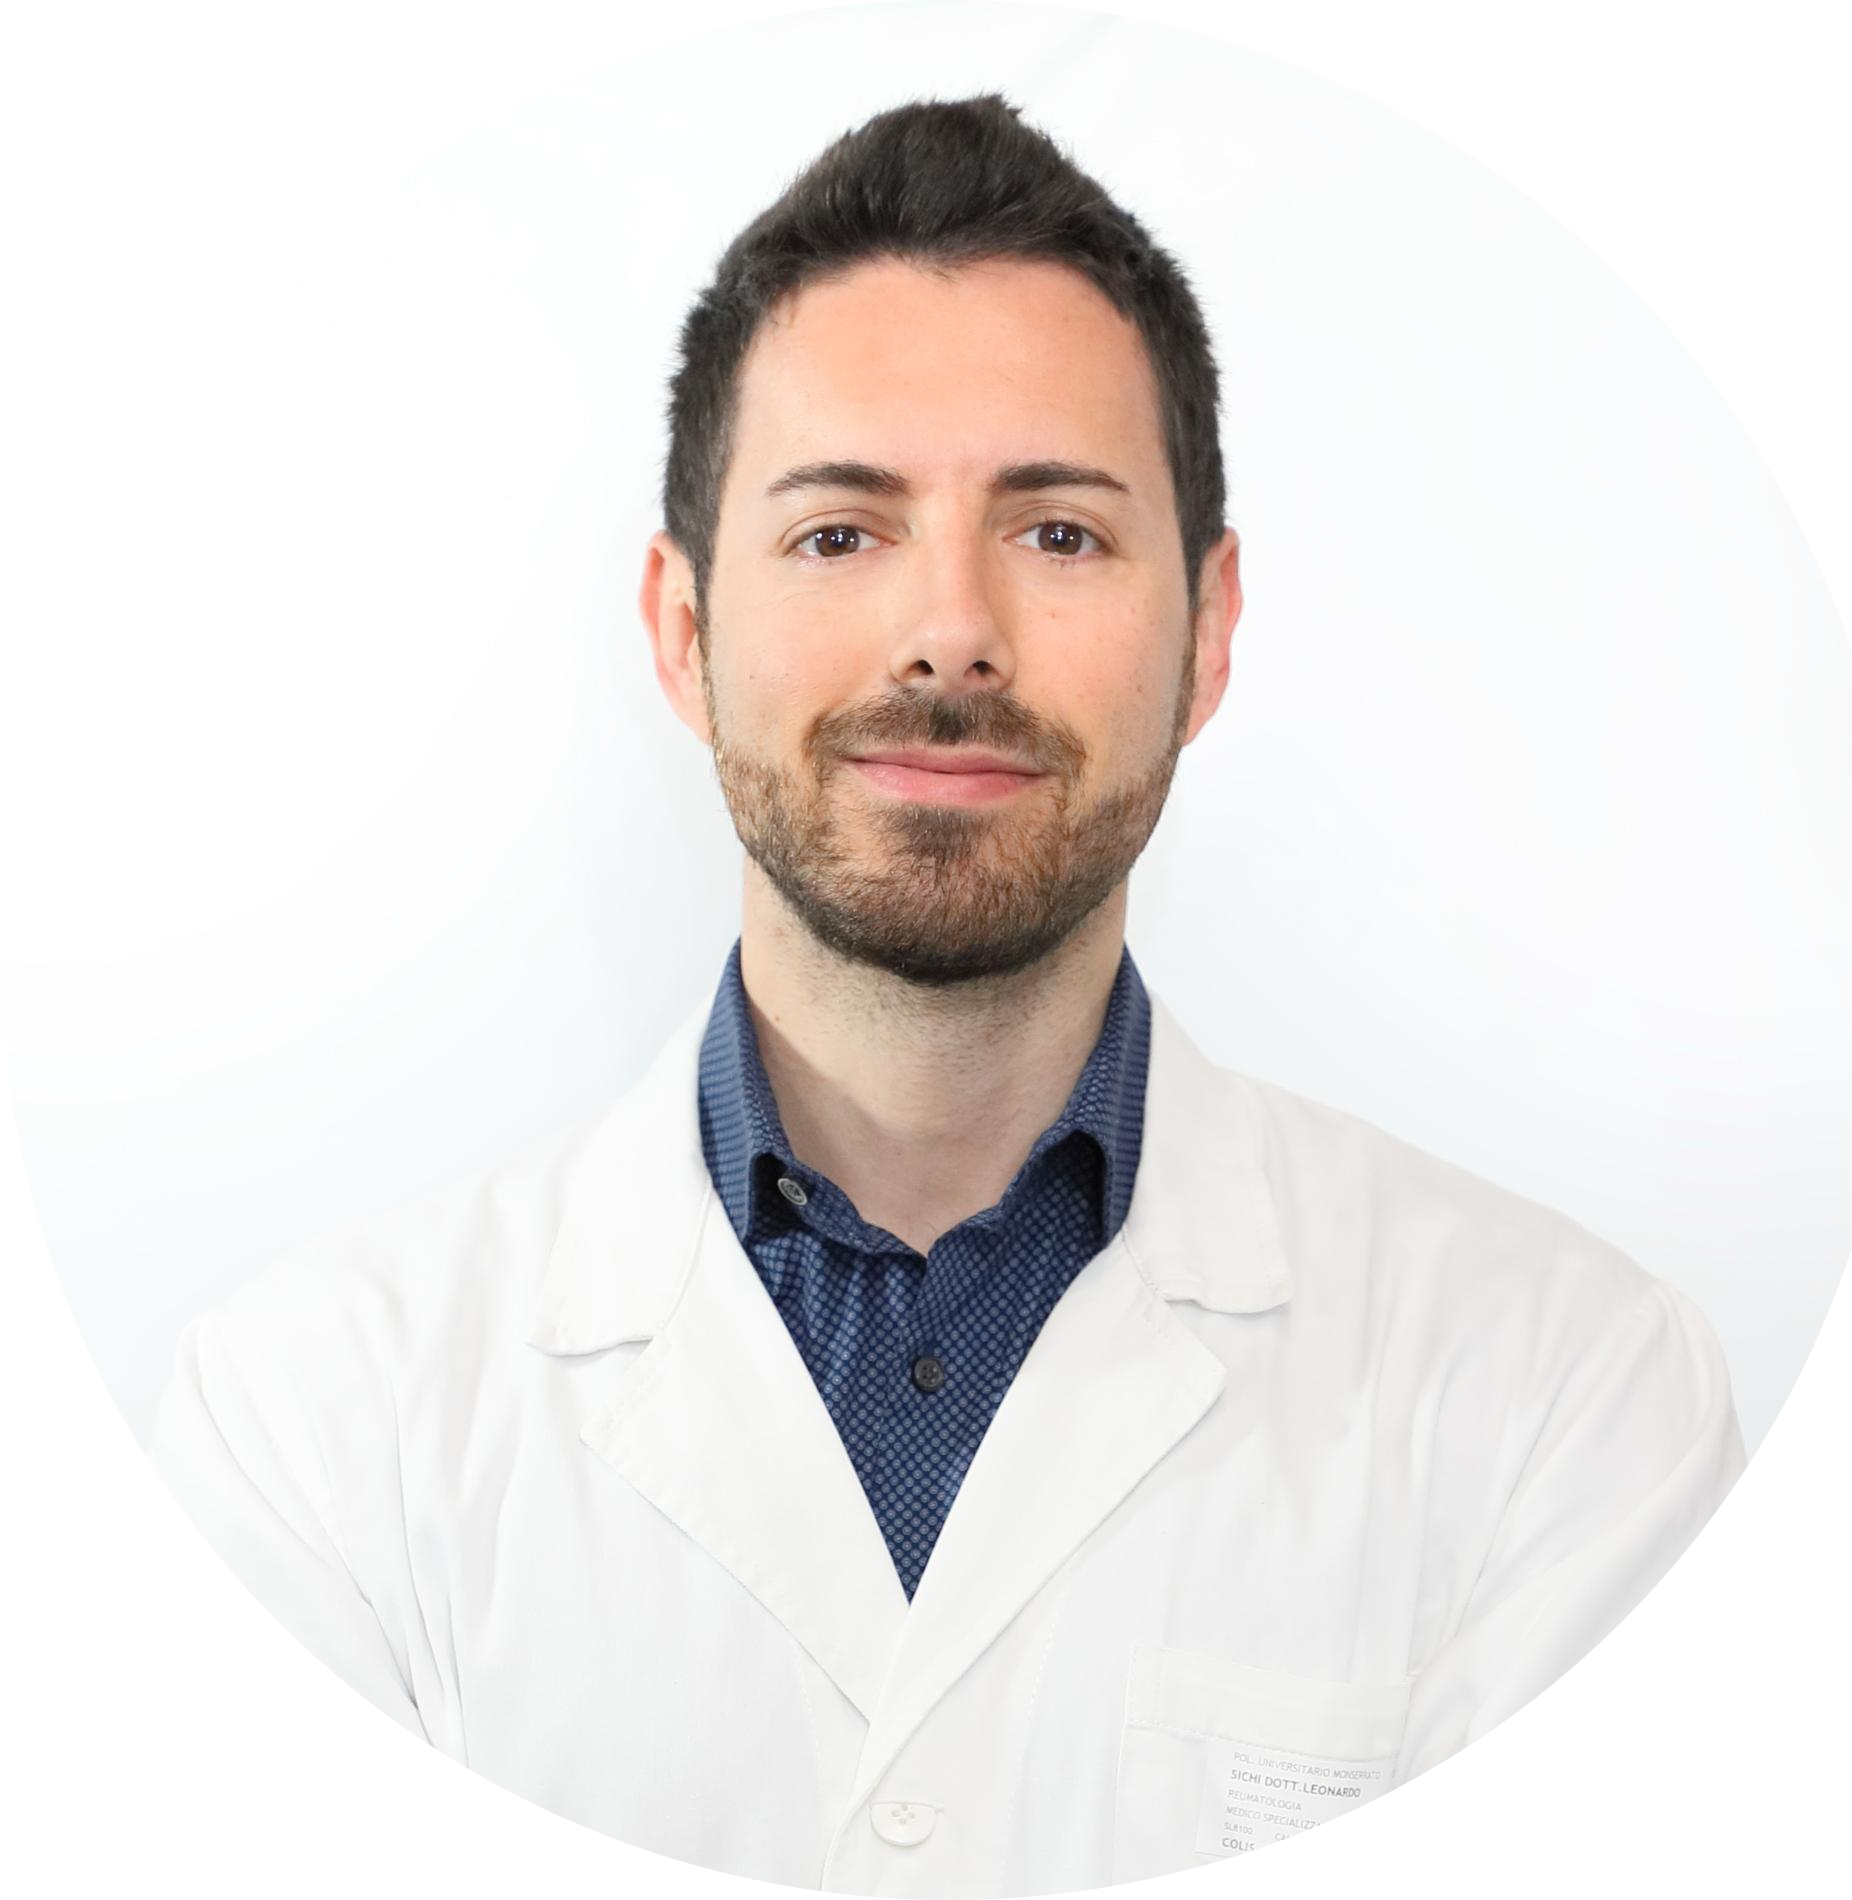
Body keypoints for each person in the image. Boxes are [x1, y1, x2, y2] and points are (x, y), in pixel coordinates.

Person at [147, 93, 1746, 1893]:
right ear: (682, 632)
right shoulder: (316, 1426)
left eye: (1059, 533)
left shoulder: (1566, 1398)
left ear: (1210, 632)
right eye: (841, 533)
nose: (951, 633)